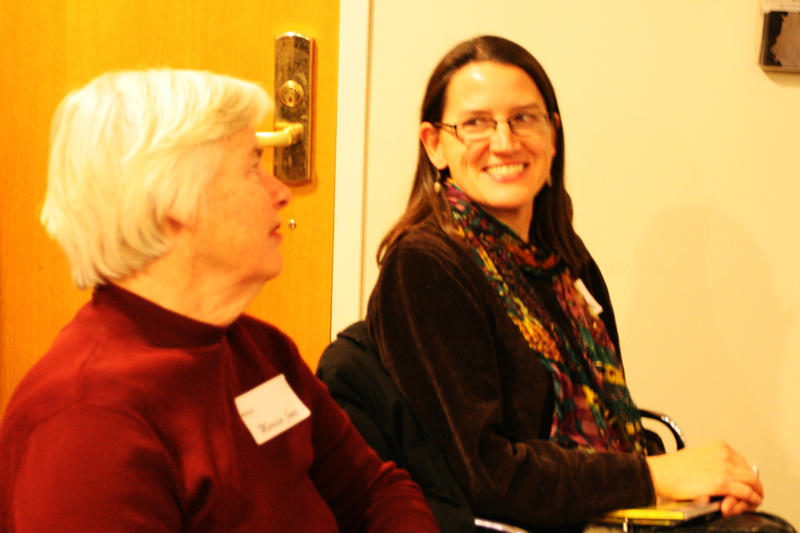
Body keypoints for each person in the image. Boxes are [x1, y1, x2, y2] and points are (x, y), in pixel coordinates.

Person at [0, 69, 439, 533]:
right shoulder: (85, 424)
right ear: (171, 197)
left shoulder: (257, 351)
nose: (282, 192)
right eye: (252, 166)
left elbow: (375, 493)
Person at [366, 35, 764, 530]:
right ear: (435, 144)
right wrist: (656, 475)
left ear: (553, 134)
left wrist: (690, 488)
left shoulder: (562, 261)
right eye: (475, 123)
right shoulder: (426, 266)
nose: (505, 142)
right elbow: (484, 475)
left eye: (523, 118)